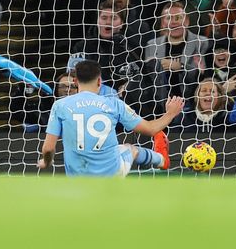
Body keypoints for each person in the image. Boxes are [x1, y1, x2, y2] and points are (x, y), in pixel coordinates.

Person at [38, 61, 184, 177]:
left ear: (75, 81)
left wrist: (46, 162)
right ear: (99, 81)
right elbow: (151, 129)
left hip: (78, 176)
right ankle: (161, 160)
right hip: (112, 173)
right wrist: (170, 114)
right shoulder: (114, 104)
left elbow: (48, 148)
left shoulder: (60, 105)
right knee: (130, 149)